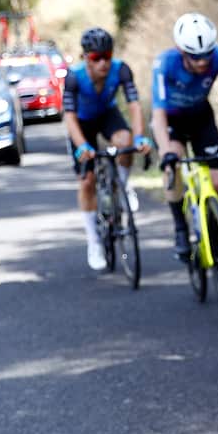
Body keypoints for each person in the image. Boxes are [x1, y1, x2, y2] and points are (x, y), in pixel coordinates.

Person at [64, 27, 150, 271]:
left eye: (107, 56)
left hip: (107, 115)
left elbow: (133, 106)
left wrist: (140, 137)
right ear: (85, 58)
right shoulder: (73, 77)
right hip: (82, 123)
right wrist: (82, 146)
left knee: (125, 143)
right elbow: (69, 117)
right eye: (95, 58)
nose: (103, 62)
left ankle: (122, 186)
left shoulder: (121, 70)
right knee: (87, 181)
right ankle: (94, 241)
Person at [152, 12, 218, 261]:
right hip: (172, 121)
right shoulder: (165, 63)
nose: (202, 62)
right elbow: (158, 114)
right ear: (181, 50)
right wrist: (165, 151)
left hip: (201, 118)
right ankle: (180, 227)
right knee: (173, 165)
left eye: (207, 54)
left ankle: (216, 229)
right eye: (195, 56)